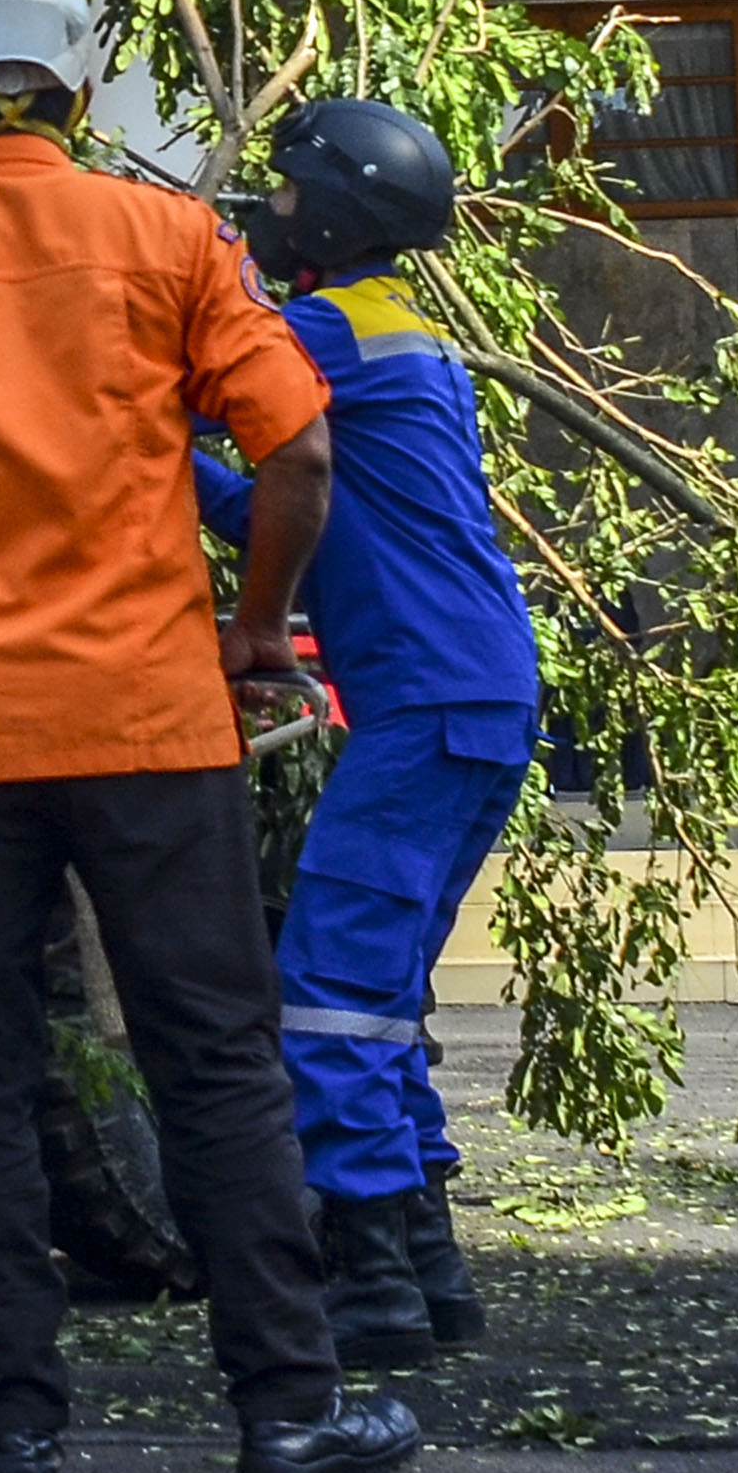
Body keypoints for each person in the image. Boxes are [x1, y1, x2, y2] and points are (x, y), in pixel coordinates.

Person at [0, 0, 418, 1473]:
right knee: (214, 1063)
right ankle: (283, 1416)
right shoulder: (170, 235)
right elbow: (303, 452)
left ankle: (12, 1436)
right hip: (144, 717)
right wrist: (254, 627)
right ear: (74, 84)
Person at [191, 97, 541, 1376]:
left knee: (331, 987)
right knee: (381, 994)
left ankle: (373, 1275)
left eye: (282, 193)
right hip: (472, 697)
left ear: (330, 212)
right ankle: (431, 1264)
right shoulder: (394, 332)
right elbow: (279, 502)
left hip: (431, 704)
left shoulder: (324, 329)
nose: (268, 209)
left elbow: (206, 389)